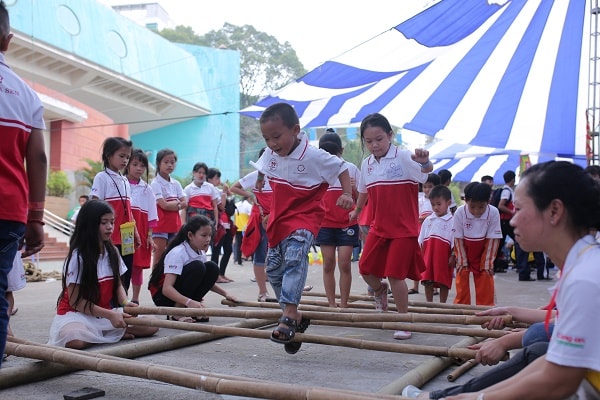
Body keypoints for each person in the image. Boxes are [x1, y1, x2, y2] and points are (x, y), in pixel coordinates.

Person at [422, 161, 600, 399]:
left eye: (520, 209)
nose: (513, 220)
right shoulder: (582, 264)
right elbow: (551, 361)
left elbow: (559, 381)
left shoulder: (585, 278)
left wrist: (475, 398)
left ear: (554, 212)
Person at [251, 103, 354, 354]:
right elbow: (261, 178)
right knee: (274, 270)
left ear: (295, 130)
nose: (272, 143)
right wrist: (264, 208)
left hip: (306, 219)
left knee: (296, 257)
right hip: (278, 221)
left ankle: (287, 315)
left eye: (277, 137)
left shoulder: (315, 156)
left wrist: (348, 194)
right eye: (267, 138)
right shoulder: (270, 154)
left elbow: (342, 169)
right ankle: (295, 317)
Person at [348, 112, 432, 340]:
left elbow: (425, 174)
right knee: (365, 268)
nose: (374, 145)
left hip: (404, 230)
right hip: (379, 228)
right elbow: (364, 191)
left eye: (379, 139)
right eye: (369, 141)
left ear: (390, 136)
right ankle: (379, 290)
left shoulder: (403, 157)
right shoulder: (366, 164)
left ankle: (403, 320)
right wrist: (356, 210)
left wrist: (425, 162)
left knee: (396, 275)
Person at [0, 0, 48, 367]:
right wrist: (36, 217)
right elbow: (38, 159)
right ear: (8, 40)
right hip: (10, 211)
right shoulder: (26, 94)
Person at [47, 200, 158, 349]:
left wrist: (125, 303)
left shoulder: (113, 252)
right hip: (77, 315)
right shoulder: (77, 257)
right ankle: (108, 335)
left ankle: (103, 334)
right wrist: (111, 316)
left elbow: (118, 285)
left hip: (103, 314)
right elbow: (76, 302)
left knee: (152, 324)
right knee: (74, 339)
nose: (110, 227)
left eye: (112, 222)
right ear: (89, 225)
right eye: (104, 222)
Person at [148, 215, 238, 322]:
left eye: (210, 235)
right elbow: (167, 289)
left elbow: (206, 280)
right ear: (190, 235)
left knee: (212, 268)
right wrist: (189, 302)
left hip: (181, 295)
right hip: (163, 296)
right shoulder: (178, 253)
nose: (208, 239)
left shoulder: (200, 252)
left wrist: (226, 294)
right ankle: (177, 311)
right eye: (204, 235)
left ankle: (192, 309)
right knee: (198, 267)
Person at [315, 131, 360, 308]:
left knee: (344, 263)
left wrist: (355, 189)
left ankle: (344, 304)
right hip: (325, 224)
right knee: (328, 264)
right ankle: (332, 304)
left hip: (347, 223)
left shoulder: (351, 168)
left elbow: (364, 197)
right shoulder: (317, 169)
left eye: (332, 153)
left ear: (341, 150)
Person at [90, 137, 140, 294]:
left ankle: (122, 307)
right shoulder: (102, 177)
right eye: (121, 156)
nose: (125, 160)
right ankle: (109, 308)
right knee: (110, 273)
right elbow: (94, 205)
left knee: (126, 272)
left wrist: (135, 233)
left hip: (126, 237)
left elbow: (129, 210)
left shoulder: (125, 180)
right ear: (108, 155)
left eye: (127, 157)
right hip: (109, 236)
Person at [231, 148, 275, 303]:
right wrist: (251, 194)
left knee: (284, 254)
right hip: (260, 220)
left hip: (278, 219)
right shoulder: (255, 176)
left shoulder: (281, 175)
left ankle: (289, 287)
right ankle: (262, 292)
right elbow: (234, 188)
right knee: (261, 255)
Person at [452, 182, 501, 306]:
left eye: (481, 207)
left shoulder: (493, 212)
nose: (476, 211)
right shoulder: (459, 212)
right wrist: (462, 260)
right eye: (472, 206)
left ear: (488, 201)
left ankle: (486, 307)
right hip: (465, 248)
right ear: (466, 201)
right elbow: (458, 238)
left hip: (485, 248)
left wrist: (487, 262)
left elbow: (493, 240)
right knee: (462, 272)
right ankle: (461, 306)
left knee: (485, 274)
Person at [125, 149, 158, 305]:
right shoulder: (120, 183)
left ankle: (135, 299)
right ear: (127, 165)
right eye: (135, 164)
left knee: (137, 266)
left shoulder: (147, 189)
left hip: (142, 230)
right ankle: (121, 298)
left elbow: (152, 214)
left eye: (142, 165)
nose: (139, 168)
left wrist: (150, 236)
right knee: (122, 264)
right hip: (124, 230)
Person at [418, 185, 455, 303]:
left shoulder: (452, 221)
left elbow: (455, 242)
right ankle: (429, 304)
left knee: (443, 281)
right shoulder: (428, 220)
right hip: (428, 257)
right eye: (433, 204)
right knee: (427, 280)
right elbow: (421, 240)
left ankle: (442, 304)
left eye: (439, 204)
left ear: (448, 203)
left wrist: (453, 255)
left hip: (443, 258)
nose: (435, 207)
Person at [150, 149, 187, 265]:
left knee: (174, 256)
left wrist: (176, 204)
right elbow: (163, 205)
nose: (170, 165)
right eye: (166, 162)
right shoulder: (155, 183)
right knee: (158, 257)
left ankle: (167, 282)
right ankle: (154, 283)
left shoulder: (176, 183)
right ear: (158, 163)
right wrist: (178, 204)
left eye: (172, 162)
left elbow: (185, 202)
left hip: (175, 225)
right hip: (161, 225)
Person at [412, 173, 442, 296]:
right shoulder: (419, 198)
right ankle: (415, 285)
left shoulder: (440, 200)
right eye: (425, 186)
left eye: (430, 186)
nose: (427, 189)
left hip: (434, 234)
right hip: (419, 232)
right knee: (417, 258)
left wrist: (429, 217)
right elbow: (414, 214)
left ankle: (434, 285)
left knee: (432, 259)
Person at [207, 168, 235, 283]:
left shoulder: (217, 190)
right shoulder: (210, 190)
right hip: (218, 224)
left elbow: (230, 196)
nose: (219, 180)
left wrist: (225, 191)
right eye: (217, 178)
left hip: (226, 224)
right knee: (216, 250)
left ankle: (221, 273)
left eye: (219, 178)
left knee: (228, 250)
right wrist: (223, 192)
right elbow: (221, 207)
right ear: (209, 179)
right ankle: (215, 276)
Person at [494, 170, 516, 274]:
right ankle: (522, 267)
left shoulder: (507, 190)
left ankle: (494, 265)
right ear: (512, 179)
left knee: (500, 244)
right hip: (505, 221)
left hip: (504, 222)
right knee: (518, 241)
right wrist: (512, 212)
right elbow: (501, 205)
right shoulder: (507, 191)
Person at [233, 195, 253, 265]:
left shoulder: (237, 204)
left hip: (238, 227)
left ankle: (238, 260)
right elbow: (251, 216)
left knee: (238, 244)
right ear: (249, 198)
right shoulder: (248, 205)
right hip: (246, 227)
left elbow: (235, 216)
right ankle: (252, 258)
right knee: (250, 243)